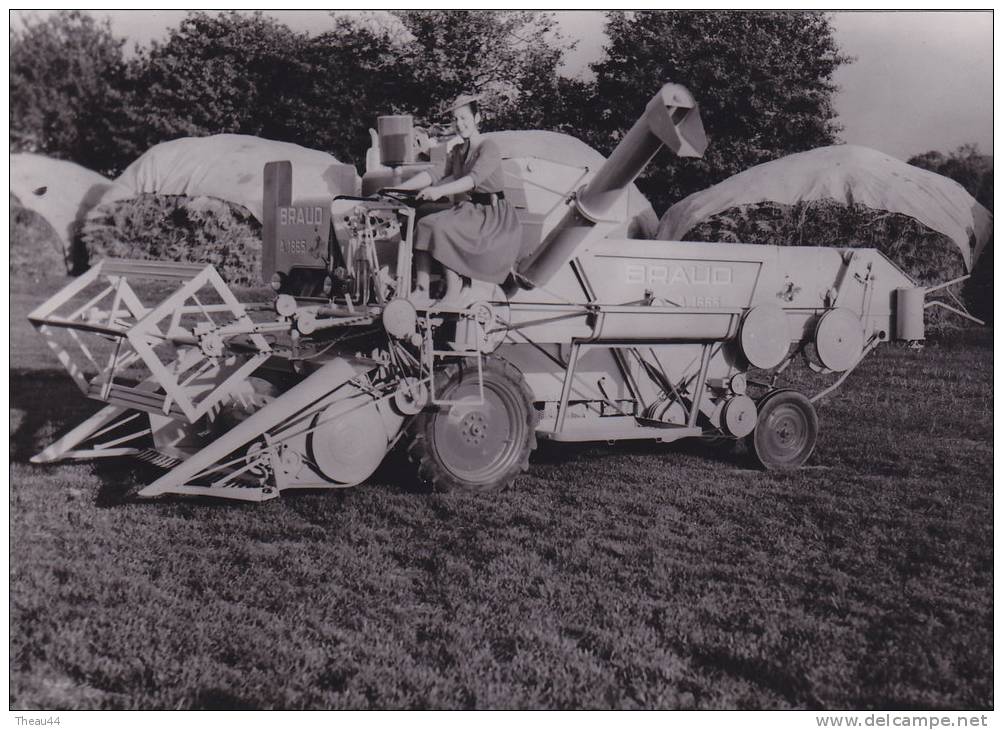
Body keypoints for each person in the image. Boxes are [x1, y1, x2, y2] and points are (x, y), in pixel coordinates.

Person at [395, 94, 522, 304]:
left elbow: (472, 180)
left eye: (464, 118)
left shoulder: (488, 147)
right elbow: (434, 173)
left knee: (444, 227)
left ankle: (453, 293)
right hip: (470, 209)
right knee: (424, 224)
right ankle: (421, 288)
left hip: (492, 214)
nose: (459, 124)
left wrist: (438, 191)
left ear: (477, 118)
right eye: (455, 119)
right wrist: (397, 188)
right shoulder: (457, 150)